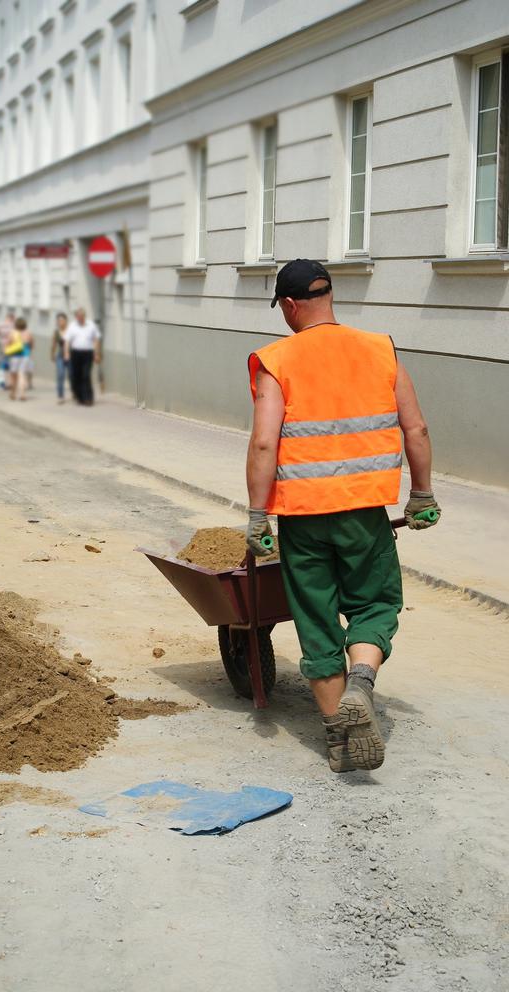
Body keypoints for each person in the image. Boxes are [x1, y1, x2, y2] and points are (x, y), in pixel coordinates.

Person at [245, 259, 441, 774]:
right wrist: (420, 495)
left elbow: (265, 441)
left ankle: (339, 741)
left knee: (315, 618)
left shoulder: (276, 359)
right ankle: (363, 683)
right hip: (364, 512)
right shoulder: (381, 349)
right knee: (375, 603)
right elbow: (415, 429)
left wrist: (256, 515)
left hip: (304, 517)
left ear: (289, 305)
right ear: (330, 295)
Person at [65, 307, 101, 406]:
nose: (80, 318)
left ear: (84, 316)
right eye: (78, 316)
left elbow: (96, 339)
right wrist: (66, 353)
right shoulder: (72, 326)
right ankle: (80, 396)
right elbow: (67, 341)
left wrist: (97, 354)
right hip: (75, 353)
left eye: (81, 316)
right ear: (76, 317)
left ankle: (88, 398)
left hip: (88, 353)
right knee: (76, 375)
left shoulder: (91, 325)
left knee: (86, 375)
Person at [7, 317, 33, 401]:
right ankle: (22, 394)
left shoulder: (12, 333)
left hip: (15, 356)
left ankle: (12, 393)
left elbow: (8, 344)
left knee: (13, 375)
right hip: (25, 356)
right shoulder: (28, 333)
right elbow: (32, 345)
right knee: (22, 375)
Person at [0, 311, 15, 389]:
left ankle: (1, 383)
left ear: (6, 317)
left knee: (1, 365)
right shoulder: (14, 326)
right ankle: (10, 383)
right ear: (12, 318)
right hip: (11, 348)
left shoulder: (0, 325)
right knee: (10, 366)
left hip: (1, 347)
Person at [51, 312, 70, 404]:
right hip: (60, 357)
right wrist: (52, 354)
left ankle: (75, 393)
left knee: (72, 376)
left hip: (71, 357)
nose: (60, 322)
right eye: (58, 321)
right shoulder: (56, 332)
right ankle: (60, 396)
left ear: (66, 321)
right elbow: (54, 344)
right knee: (60, 375)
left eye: (62, 320)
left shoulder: (70, 331)